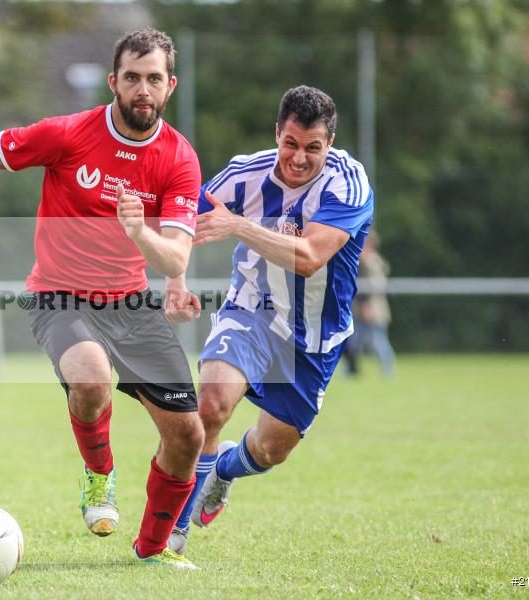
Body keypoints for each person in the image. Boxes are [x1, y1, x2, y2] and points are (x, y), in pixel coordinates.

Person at [0, 29, 204, 569]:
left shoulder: (179, 159)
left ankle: (150, 551)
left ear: (170, 86)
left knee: (188, 436)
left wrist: (140, 234)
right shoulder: (70, 134)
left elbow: (174, 261)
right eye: (132, 78)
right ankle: (99, 476)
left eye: (153, 79)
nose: (142, 89)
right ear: (113, 82)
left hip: (130, 304)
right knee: (91, 378)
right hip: (60, 297)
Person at [164, 85, 374, 556]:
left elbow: (310, 257)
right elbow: (182, 220)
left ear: (331, 142)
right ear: (277, 132)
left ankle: (224, 472)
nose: (299, 158)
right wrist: (175, 282)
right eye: (291, 143)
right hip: (251, 309)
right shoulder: (244, 174)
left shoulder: (348, 183)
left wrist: (238, 225)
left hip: (315, 335)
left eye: (313, 148)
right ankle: (170, 538)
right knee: (211, 406)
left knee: (271, 448)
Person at [351, 232, 395, 377]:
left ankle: (388, 370)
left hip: (371, 309)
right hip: (368, 308)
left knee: (377, 340)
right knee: (354, 340)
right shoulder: (377, 261)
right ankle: (351, 370)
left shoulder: (370, 262)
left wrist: (366, 306)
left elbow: (370, 287)